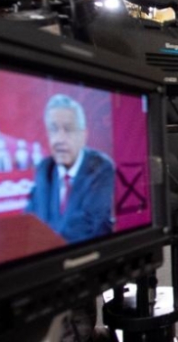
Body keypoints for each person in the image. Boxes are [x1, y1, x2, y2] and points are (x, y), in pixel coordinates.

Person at [26, 94, 116, 244]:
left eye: (68, 130)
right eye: (53, 130)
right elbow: (30, 221)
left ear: (83, 135)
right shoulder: (45, 168)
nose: (60, 139)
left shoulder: (101, 167)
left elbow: (88, 228)